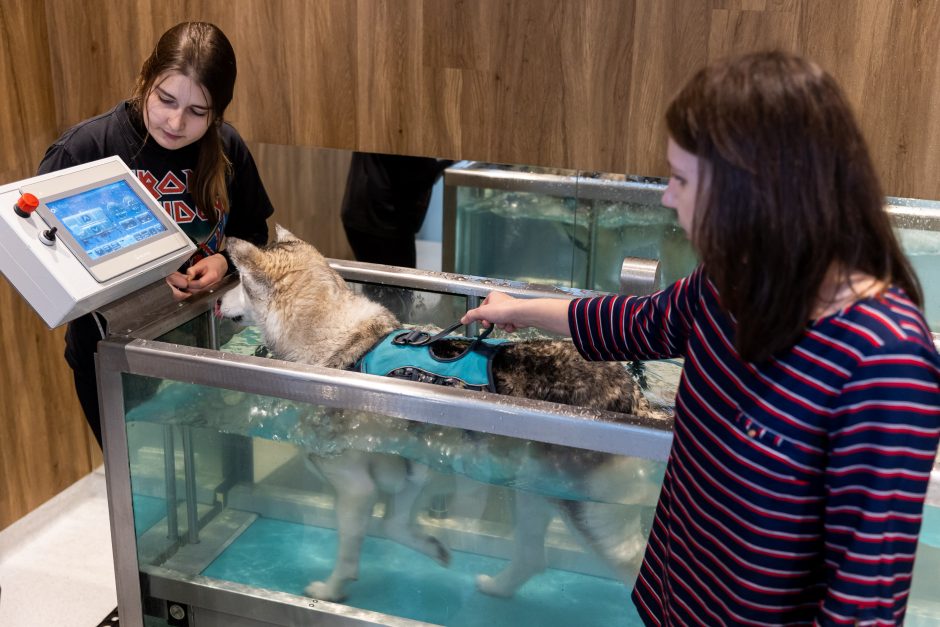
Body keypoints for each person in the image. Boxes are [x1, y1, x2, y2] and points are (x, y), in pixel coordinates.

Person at [461, 51, 940, 625]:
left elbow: (863, 600)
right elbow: (637, 324)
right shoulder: (731, 282)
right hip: (676, 602)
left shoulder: (884, 361)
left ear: (755, 191)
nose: (667, 196)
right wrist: (521, 308)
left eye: (682, 179)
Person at [37, 22, 274, 448]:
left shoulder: (227, 147)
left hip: (210, 344)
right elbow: (49, 270)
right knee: (140, 494)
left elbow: (254, 231)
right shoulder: (85, 150)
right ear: (146, 78)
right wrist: (142, 282)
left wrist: (225, 260)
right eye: (166, 100)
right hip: (113, 358)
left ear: (217, 113)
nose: (176, 121)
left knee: (213, 469)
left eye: (198, 112)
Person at [341, 152, 453, 268]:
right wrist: (451, 160)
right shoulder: (403, 138)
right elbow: (422, 173)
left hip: (357, 211)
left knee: (374, 281)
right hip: (385, 222)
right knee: (399, 282)